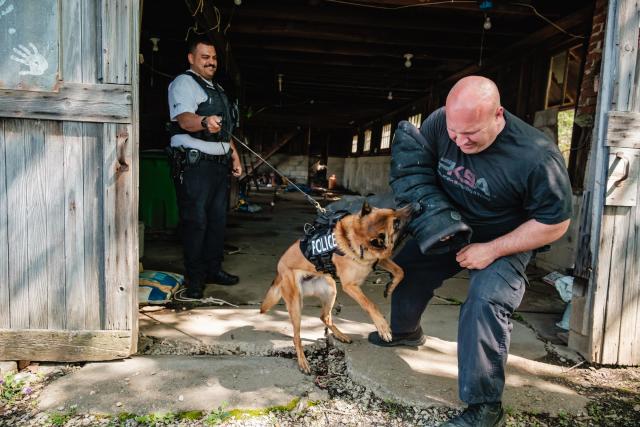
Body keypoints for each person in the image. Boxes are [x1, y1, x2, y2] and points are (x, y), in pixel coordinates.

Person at [368, 76, 572, 427]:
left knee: (485, 302)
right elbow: (417, 167)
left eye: (471, 134)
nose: (460, 143)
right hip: (447, 223)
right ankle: (405, 331)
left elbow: (555, 224)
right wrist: (431, 216)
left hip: (506, 238)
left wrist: (491, 249)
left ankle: (485, 407)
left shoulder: (537, 156)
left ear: (498, 116)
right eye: (454, 132)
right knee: (406, 268)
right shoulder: (440, 122)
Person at [167, 36, 243, 298]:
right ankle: (195, 279)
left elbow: (225, 130)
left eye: (214, 57)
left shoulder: (217, 89)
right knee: (196, 222)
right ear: (191, 58)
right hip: (195, 165)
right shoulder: (184, 83)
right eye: (205, 57)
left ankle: (213, 269)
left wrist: (234, 155)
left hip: (218, 164)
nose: (211, 62)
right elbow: (185, 119)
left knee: (217, 222)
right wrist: (203, 121)